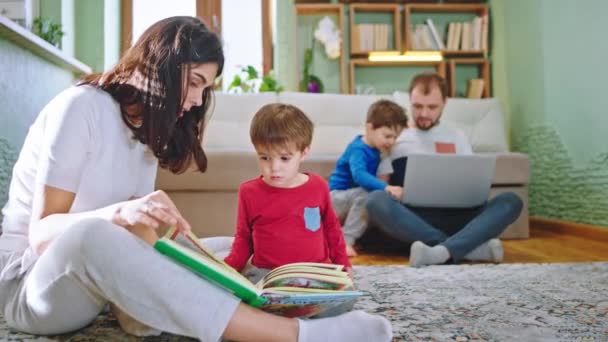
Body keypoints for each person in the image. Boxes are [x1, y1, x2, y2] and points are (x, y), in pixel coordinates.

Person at [0, 16, 393, 342]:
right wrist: (120, 211)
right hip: (32, 286)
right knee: (92, 235)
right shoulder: (80, 107)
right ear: (162, 66)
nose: (195, 101)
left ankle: (159, 313)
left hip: (97, 286)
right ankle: (294, 335)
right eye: (194, 82)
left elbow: (135, 237)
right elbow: (43, 234)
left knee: (225, 250)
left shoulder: (143, 134)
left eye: (204, 89)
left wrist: (176, 249)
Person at [365, 72, 523, 268]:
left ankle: (439, 250)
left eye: (432, 107)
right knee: (374, 200)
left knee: (511, 201)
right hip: (414, 220)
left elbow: (473, 184)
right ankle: (465, 249)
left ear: (445, 103)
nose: (424, 114)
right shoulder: (395, 137)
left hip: (459, 217)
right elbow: (382, 187)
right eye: (417, 106)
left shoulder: (457, 137)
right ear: (410, 102)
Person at [224, 103, 353, 281]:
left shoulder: (318, 186)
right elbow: (244, 238)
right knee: (246, 300)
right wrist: (229, 268)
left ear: (304, 152)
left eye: (284, 158)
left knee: (340, 302)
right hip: (268, 274)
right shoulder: (249, 192)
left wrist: (343, 263)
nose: (274, 168)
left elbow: (332, 229)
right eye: (264, 157)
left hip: (315, 271)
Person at [328, 100, 408, 257]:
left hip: (348, 198)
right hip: (335, 198)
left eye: (395, 137)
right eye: (387, 136)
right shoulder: (359, 149)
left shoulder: (376, 150)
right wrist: (387, 188)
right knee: (366, 195)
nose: (391, 141)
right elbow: (359, 176)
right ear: (369, 128)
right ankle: (345, 241)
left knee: (373, 201)